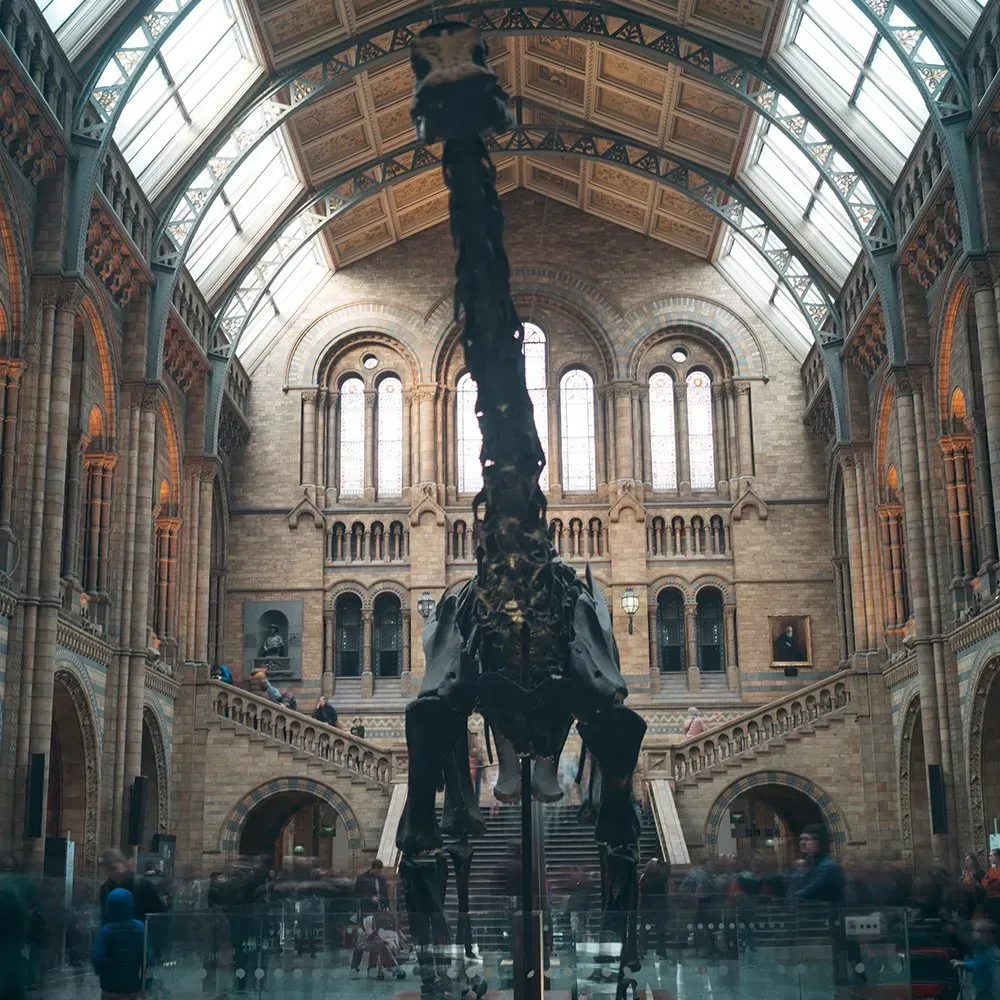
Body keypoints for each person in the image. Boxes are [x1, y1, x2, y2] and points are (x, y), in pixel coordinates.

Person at [92, 888, 150, 1000]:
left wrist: (103, 974)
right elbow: (148, 957)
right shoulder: (140, 928)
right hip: (133, 987)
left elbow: (98, 958)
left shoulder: (106, 930)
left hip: (110, 988)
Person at [786, 825, 844, 902]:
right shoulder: (812, 864)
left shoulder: (827, 866)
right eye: (801, 839)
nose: (802, 843)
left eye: (807, 839)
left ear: (818, 842)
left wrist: (800, 871)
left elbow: (803, 893)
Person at [350, 860, 389, 978]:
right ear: (373, 868)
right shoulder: (362, 879)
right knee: (362, 941)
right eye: (378, 870)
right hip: (366, 913)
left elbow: (384, 894)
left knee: (376, 941)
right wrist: (369, 899)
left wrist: (386, 906)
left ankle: (371, 968)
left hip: (378, 913)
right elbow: (356, 895)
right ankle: (354, 968)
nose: (379, 872)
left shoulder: (381, 879)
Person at [952, 920, 1000, 1000]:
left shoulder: (993, 951)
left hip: (989, 992)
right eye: (975, 931)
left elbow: (980, 963)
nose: (975, 934)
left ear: (989, 934)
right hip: (980, 989)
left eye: (979, 931)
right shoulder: (979, 949)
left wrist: (963, 964)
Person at [638, 857, 671, 958]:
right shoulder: (661, 878)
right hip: (660, 907)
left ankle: (641, 950)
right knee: (660, 930)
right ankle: (661, 951)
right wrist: (661, 862)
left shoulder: (643, 877)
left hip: (646, 906)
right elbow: (668, 868)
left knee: (644, 930)